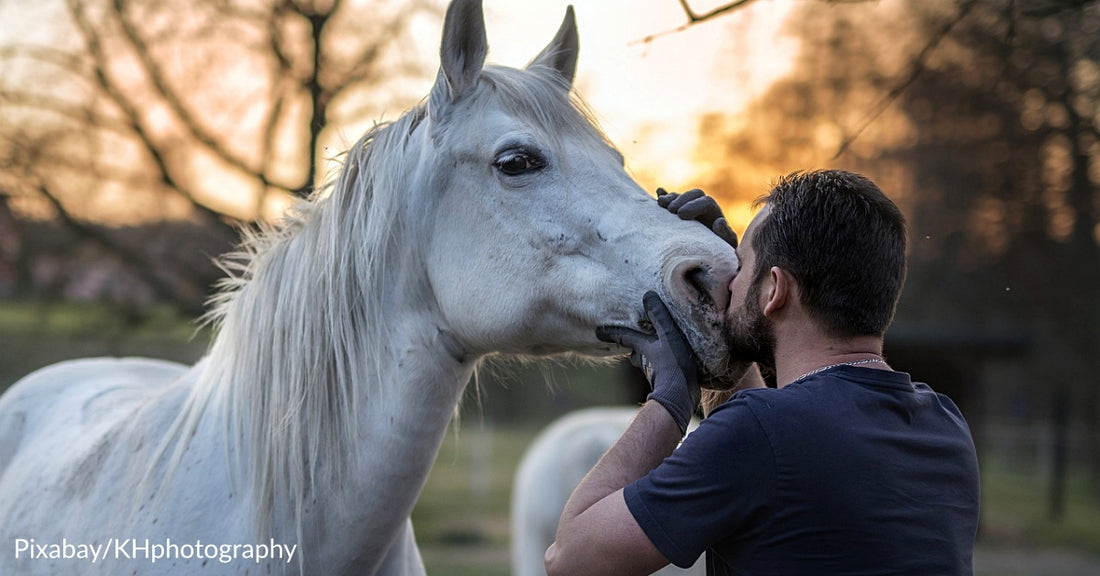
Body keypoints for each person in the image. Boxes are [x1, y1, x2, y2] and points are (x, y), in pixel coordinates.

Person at [544, 170, 980, 576]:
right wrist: (728, 324)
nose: (731, 282)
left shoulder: (760, 433)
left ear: (775, 290)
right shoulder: (945, 426)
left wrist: (670, 399)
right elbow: (776, 448)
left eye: (742, 266)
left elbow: (570, 557)